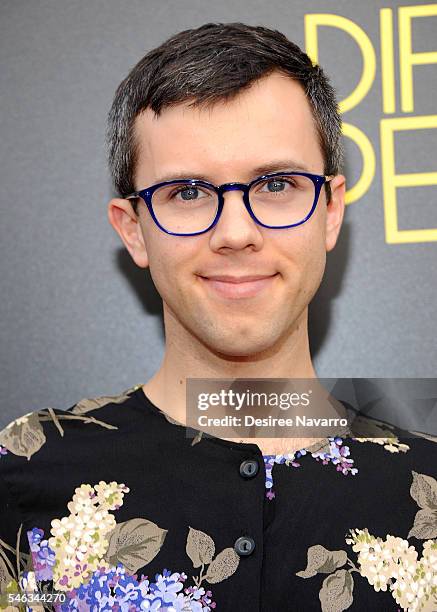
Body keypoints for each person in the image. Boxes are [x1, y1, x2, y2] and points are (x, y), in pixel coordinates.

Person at [1, 22, 436, 612]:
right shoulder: (26, 474)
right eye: (187, 192)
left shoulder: (428, 491)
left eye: (277, 184)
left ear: (331, 211)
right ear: (133, 230)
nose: (236, 233)